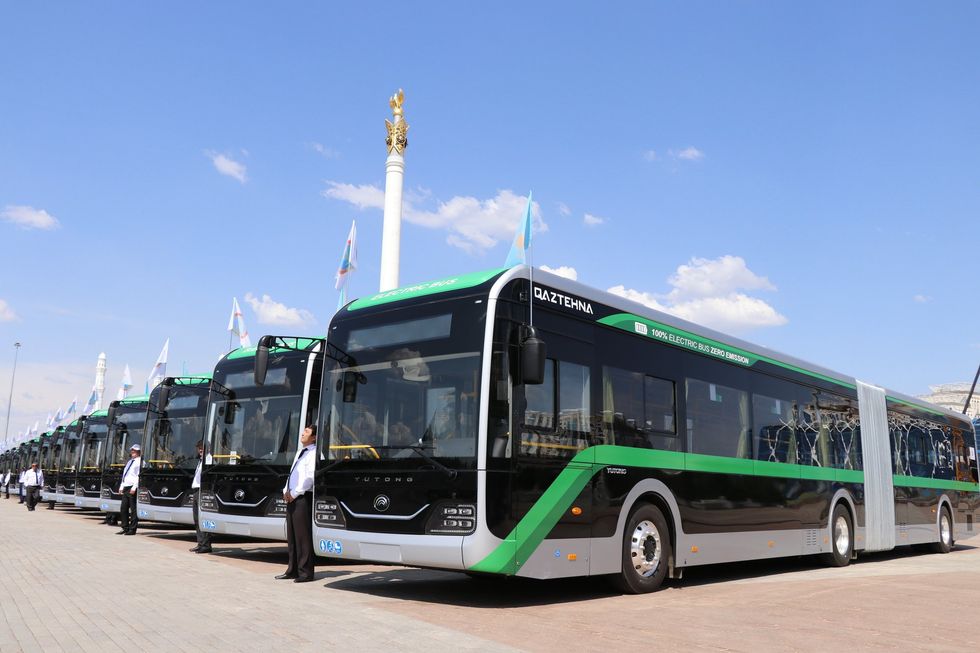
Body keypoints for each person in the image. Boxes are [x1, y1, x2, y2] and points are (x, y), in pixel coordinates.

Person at [276, 425, 317, 583]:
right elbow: (292, 474)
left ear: (313, 437)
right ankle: (292, 569)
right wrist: (286, 490)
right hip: (291, 496)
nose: (302, 434)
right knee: (292, 536)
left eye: (306, 432)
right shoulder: (301, 452)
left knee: (302, 537)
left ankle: (305, 572)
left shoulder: (313, 453)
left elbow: (308, 479)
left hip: (302, 498)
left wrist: (293, 493)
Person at [189, 440, 212, 554]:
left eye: (202, 448)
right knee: (196, 519)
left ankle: (206, 545)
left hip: (202, 491)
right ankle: (200, 543)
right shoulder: (200, 461)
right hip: (196, 490)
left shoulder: (208, 460)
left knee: (202, 519)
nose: (200, 450)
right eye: (199, 448)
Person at [117, 444, 142, 536]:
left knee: (133, 509)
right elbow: (125, 475)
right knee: (123, 508)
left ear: (138, 452)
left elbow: (138, 476)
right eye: (132, 450)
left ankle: (132, 529)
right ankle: (125, 527)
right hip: (126, 486)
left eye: (134, 450)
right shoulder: (130, 461)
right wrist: (121, 486)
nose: (132, 452)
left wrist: (134, 487)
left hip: (132, 487)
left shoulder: (140, 462)